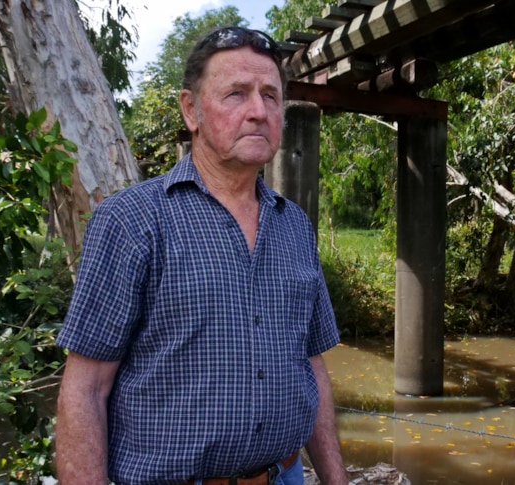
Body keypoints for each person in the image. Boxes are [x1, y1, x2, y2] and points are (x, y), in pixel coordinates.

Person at [54, 26, 347, 485]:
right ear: (190, 109)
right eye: (236, 94)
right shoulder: (131, 221)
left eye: (271, 96)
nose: (258, 111)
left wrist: (335, 479)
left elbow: (310, 364)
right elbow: (85, 389)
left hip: (285, 476)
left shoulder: (295, 226)